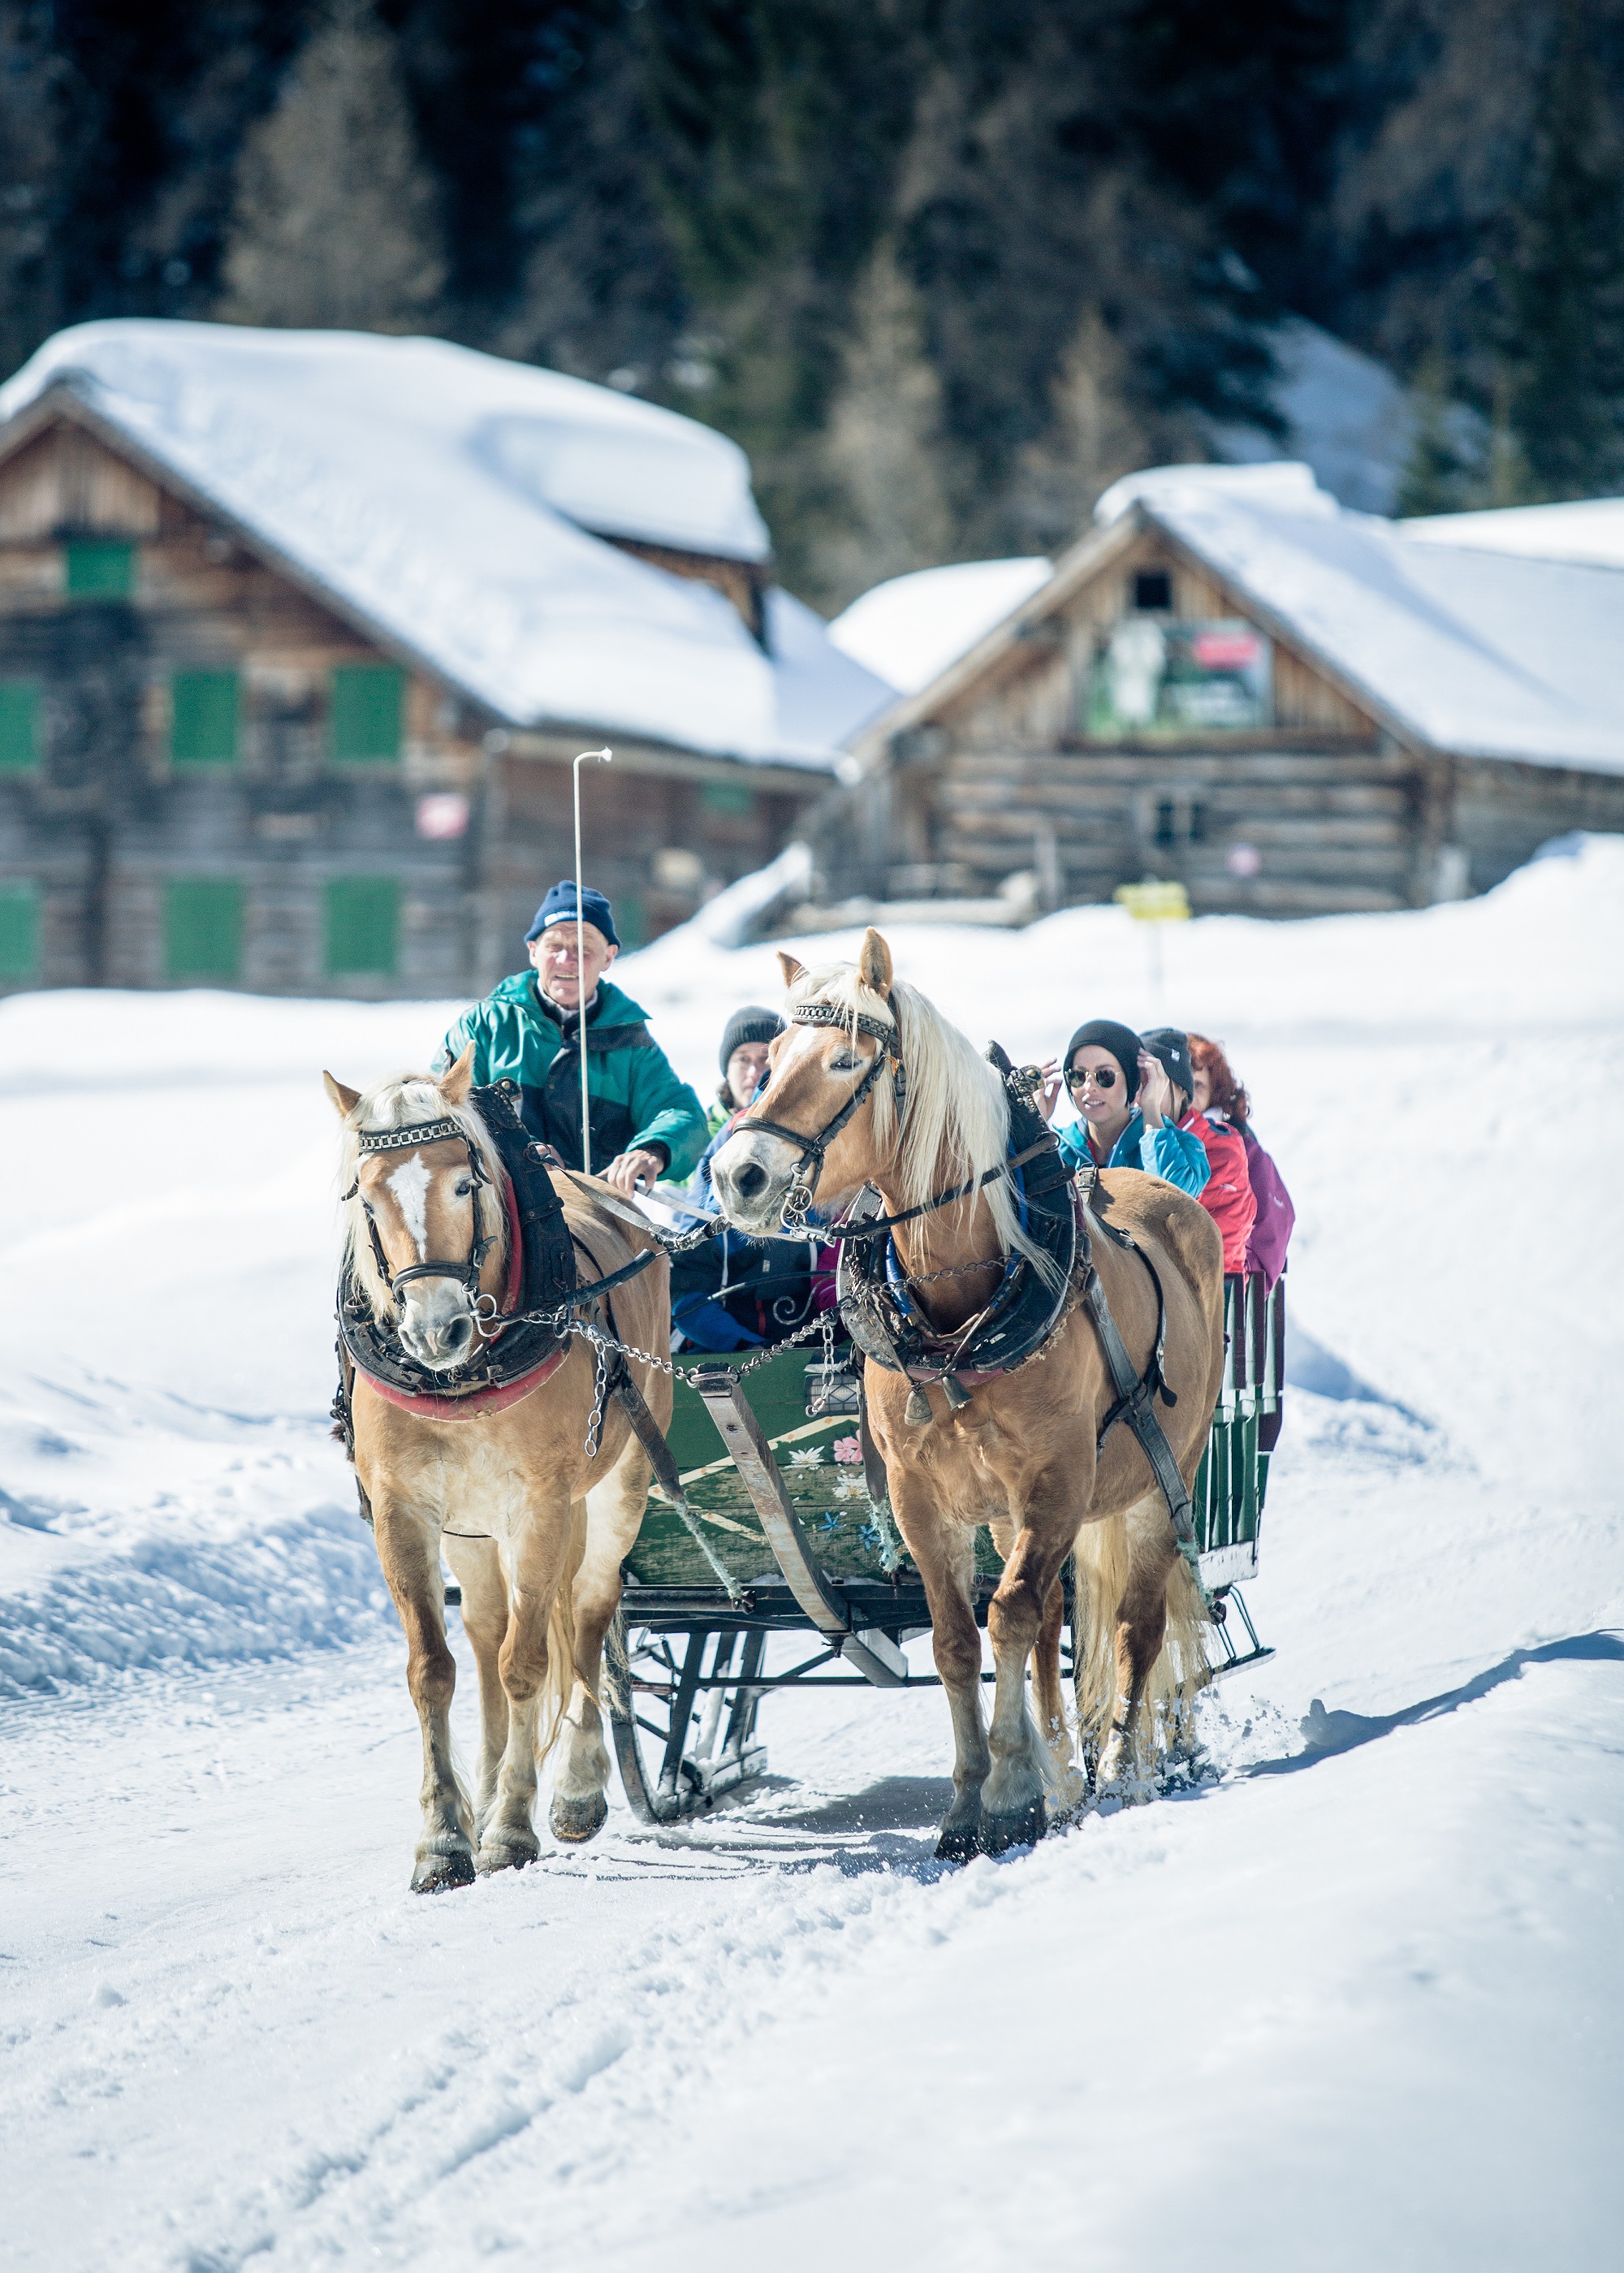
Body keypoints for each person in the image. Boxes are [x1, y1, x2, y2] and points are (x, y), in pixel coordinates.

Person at [436, 879, 708, 1197]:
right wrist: (517, 1153)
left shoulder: (631, 1042)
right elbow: (445, 1113)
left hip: (603, 1220)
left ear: (608, 957)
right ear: (534, 952)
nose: (568, 960)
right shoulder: (482, 1027)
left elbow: (682, 1114)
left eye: (584, 948)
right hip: (502, 1209)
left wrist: (652, 1150)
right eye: (555, 947)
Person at [1038, 1018, 1210, 1195]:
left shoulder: (1183, 1146)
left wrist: (1151, 1109)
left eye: (1105, 1075)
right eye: (1078, 1076)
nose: (1089, 1087)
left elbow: (1175, 1199)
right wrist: (1035, 1125)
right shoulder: (1060, 1149)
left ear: (1131, 1080)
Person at [1142, 1024, 1257, 1274]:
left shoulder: (1223, 1147)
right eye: (1139, 1081)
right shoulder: (1134, 1132)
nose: (1145, 1092)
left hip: (1210, 1291)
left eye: (1155, 1081)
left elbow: (1170, 1203)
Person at [1186, 1031, 1294, 1284]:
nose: (1188, 1094)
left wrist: (1235, 1285)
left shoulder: (1244, 1150)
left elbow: (1270, 1235)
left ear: (1216, 1090)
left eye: (1198, 1085)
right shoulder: (1148, 1137)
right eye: (1179, 1082)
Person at [705, 1005, 784, 1137]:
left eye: (765, 1058)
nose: (754, 1073)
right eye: (743, 1059)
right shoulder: (699, 1136)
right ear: (727, 1071)